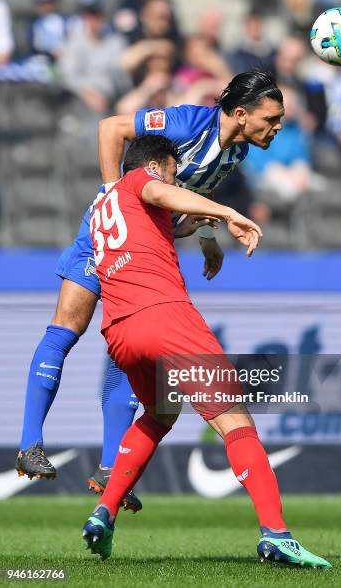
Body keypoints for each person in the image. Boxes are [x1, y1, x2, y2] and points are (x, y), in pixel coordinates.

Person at [16, 70, 285, 500]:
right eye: (271, 119)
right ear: (240, 114)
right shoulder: (187, 123)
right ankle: (30, 443)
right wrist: (112, 195)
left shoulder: (234, 156)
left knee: (131, 349)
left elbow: (188, 193)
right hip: (104, 235)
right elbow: (111, 128)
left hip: (148, 240)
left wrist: (207, 238)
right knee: (66, 329)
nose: (277, 127)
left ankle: (109, 468)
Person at [82, 134, 331, 569]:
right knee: (235, 417)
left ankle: (103, 513)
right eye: (174, 171)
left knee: (160, 413)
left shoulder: (103, 207)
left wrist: (186, 230)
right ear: (158, 166)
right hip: (165, 316)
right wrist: (228, 211)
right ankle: (277, 535)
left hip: (119, 329)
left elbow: (142, 238)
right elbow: (158, 189)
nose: (174, 180)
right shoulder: (145, 178)